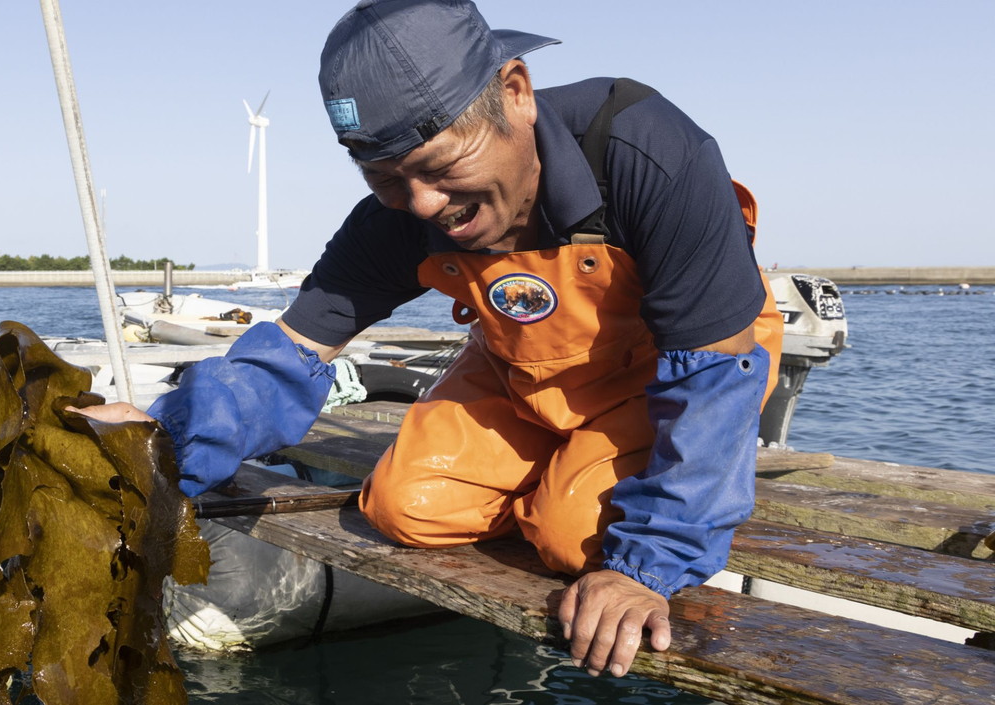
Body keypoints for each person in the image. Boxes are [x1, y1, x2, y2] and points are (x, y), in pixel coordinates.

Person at [77, 0, 782, 681]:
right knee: (401, 504)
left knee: (574, 531)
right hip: (525, 365)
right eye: (384, 176)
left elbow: (714, 380)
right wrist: (156, 439)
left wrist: (643, 567)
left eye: (441, 167)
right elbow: (286, 355)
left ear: (514, 93)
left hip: (678, 365)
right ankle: (563, 475)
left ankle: (583, 490)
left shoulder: (646, 152)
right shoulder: (399, 217)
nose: (423, 205)